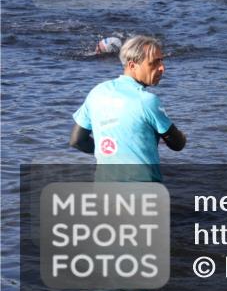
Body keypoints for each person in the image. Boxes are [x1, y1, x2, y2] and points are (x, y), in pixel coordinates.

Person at [70, 35, 186, 182]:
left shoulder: (97, 92)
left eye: (162, 61)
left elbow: (77, 140)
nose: (162, 68)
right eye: (154, 63)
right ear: (132, 66)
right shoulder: (148, 101)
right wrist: (182, 136)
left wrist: (112, 154)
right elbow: (177, 144)